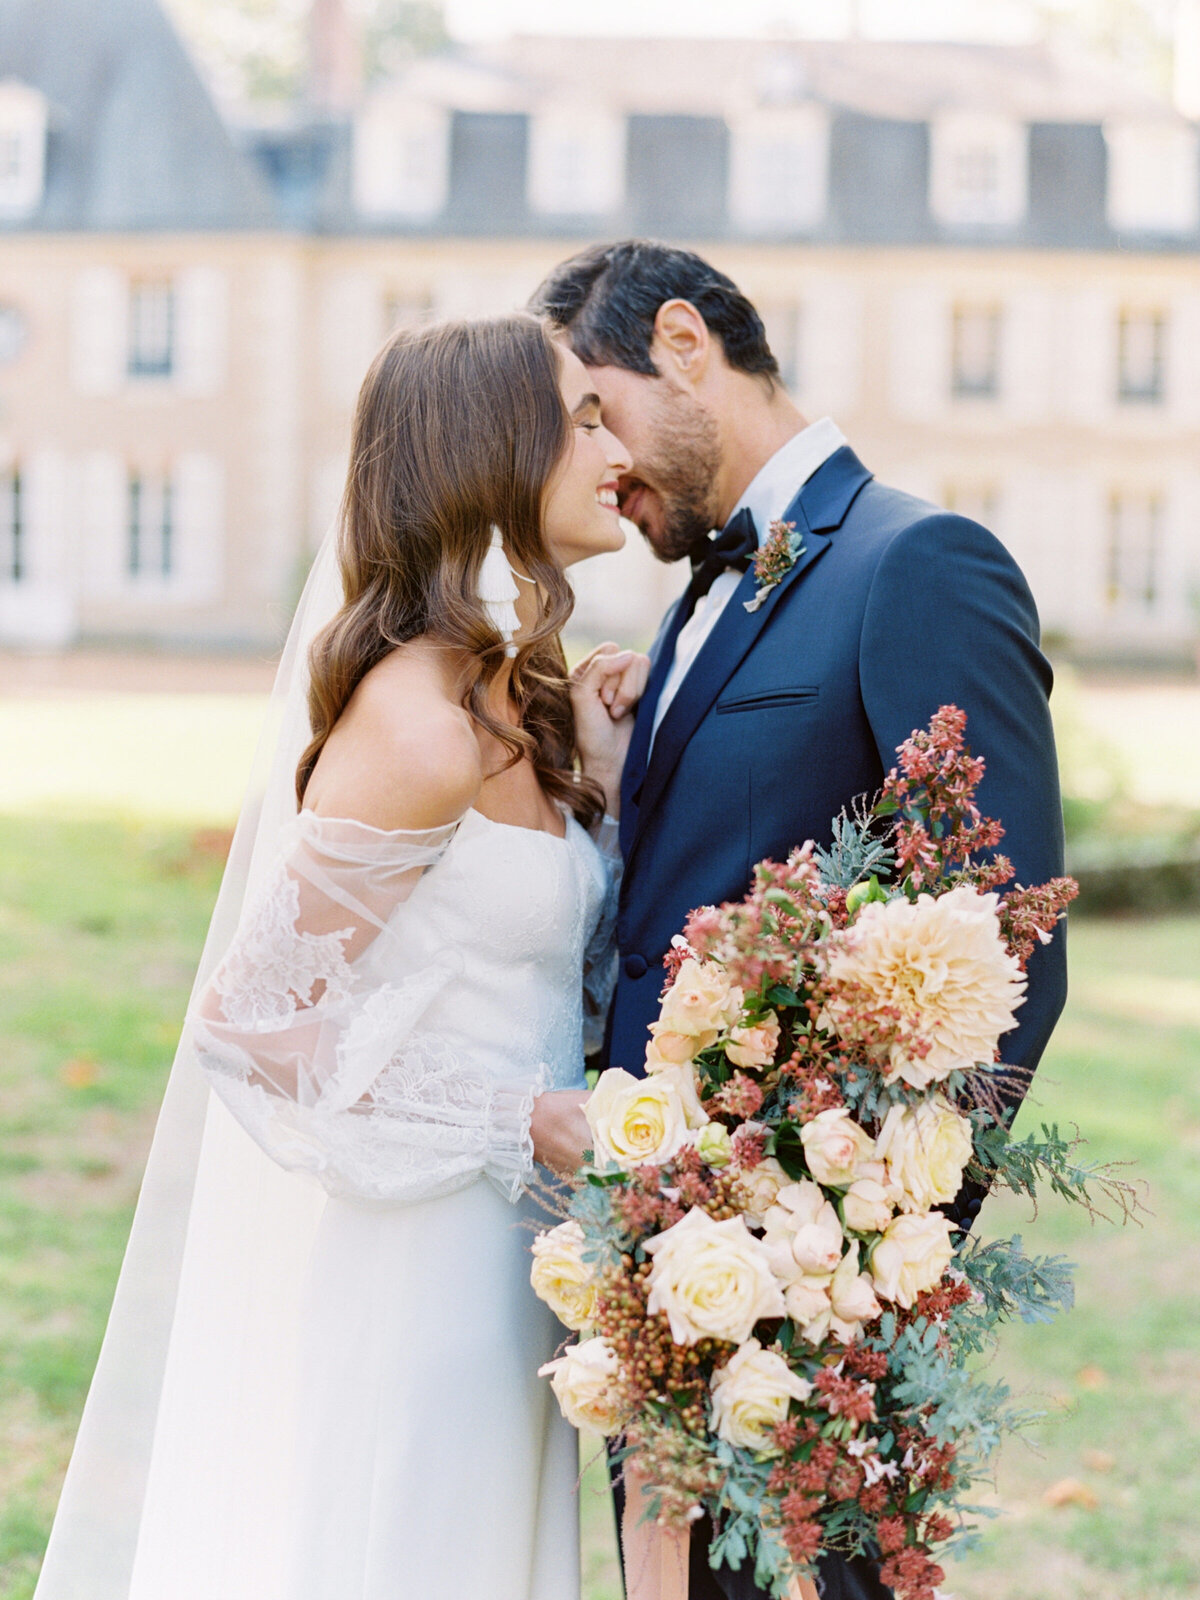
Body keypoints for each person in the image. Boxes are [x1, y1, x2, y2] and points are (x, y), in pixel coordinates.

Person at [32, 313, 648, 1600]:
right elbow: (248, 1025)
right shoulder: (419, 725)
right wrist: (515, 1116)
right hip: (419, 1266)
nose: (614, 441)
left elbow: (523, 964)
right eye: (582, 418)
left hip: (517, 1258)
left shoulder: (509, 693)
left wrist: (592, 772)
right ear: (496, 449)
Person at [531, 240, 1068, 1600]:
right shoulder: (696, 593)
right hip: (657, 1257)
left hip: (805, 1294)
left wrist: (852, 1251)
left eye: (597, 408)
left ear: (683, 343)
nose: (595, 459)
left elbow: (1010, 947)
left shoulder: (918, 562)